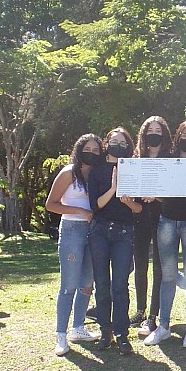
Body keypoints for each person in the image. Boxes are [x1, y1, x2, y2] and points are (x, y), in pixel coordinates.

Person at [143, 120, 186, 348]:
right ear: (177, 136)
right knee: (168, 275)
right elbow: (164, 193)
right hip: (167, 221)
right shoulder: (168, 160)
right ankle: (163, 326)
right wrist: (154, 195)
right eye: (185, 134)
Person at [44, 134, 103, 355]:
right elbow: (51, 204)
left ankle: (78, 327)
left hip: (94, 231)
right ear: (79, 149)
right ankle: (61, 334)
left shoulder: (98, 174)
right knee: (68, 285)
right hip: (72, 230)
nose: (93, 153)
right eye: (88, 148)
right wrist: (79, 211)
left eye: (97, 150)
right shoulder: (69, 173)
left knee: (87, 283)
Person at [88, 127, 142, 355]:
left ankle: (122, 335)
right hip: (99, 231)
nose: (117, 145)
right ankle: (105, 332)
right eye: (113, 141)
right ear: (106, 143)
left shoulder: (133, 170)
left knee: (120, 285)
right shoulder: (96, 171)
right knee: (102, 284)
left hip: (123, 232)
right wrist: (113, 188)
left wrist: (128, 201)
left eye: (122, 142)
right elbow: (95, 205)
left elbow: (138, 208)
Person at [131, 116, 170, 333]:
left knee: (160, 269)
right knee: (140, 266)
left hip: (164, 218)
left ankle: (154, 315)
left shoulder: (170, 160)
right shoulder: (135, 160)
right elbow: (131, 192)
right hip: (139, 218)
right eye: (150, 130)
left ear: (164, 134)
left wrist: (157, 196)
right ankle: (140, 310)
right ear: (144, 134)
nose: (153, 134)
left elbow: (175, 196)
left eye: (158, 130)